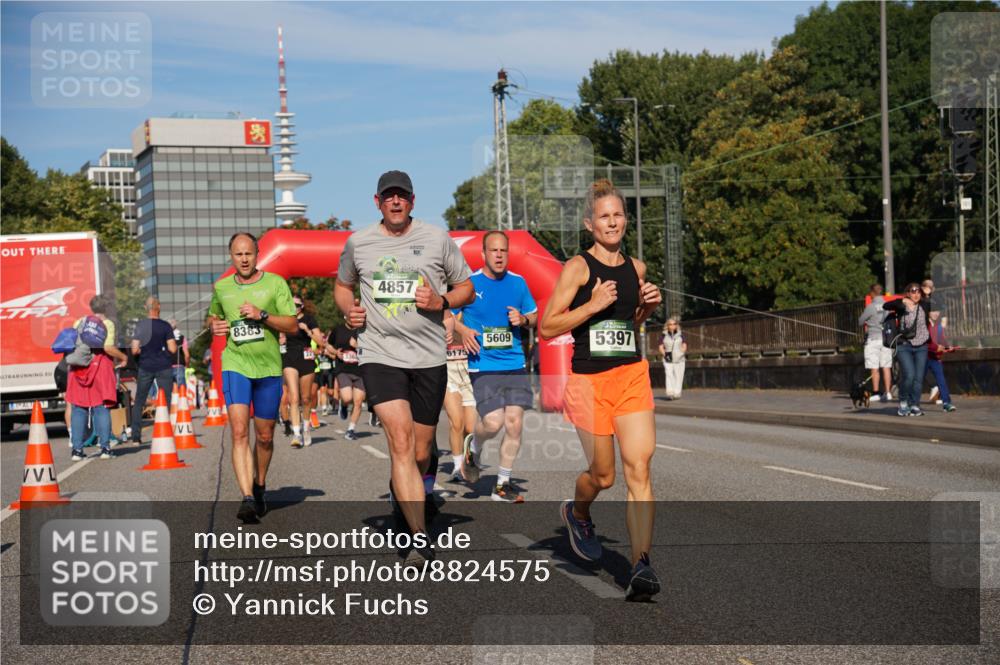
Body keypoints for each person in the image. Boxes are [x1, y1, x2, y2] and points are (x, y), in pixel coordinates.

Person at [335, 170, 473, 564]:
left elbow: (466, 288)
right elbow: (343, 286)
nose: (395, 202)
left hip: (428, 357)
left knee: (422, 451)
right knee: (400, 439)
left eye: (402, 196)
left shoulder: (436, 239)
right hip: (380, 354)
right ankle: (418, 535)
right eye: (388, 196)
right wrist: (349, 311)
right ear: (377, 202)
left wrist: (442, 302)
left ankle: (405, 492)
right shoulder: (359, 243)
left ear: (412, 201)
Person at [539, 179, 663, 602]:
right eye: (604, 216)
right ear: (589, 224)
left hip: (630, 376)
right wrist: (591, 304)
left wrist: (647, 308)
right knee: (604, 475)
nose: (612, 222)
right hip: (589, 382)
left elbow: (628, 325)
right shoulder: (578, 268)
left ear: (626, 220)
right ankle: (577, 513)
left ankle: (641, 564)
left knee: (639, 468)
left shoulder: (637, 269)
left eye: (618, 215)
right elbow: (548, 326)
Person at [208, 232, 298, 524]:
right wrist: (215, 326)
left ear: (257, 254)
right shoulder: (222, 287)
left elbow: (292, 325)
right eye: (238, 254)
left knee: (265, 436)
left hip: (269, 369)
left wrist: (262, 315)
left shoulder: (275, 283)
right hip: (235, 364)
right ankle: (247, 496)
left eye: (248, 253)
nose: (244, 259)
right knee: (238, 431)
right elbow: (214, 316)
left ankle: (259, 485)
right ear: (231, 256)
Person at [452, 230, 537, 502]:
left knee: (514, 424)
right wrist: (463, 330)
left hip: (514, 362)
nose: (499, 256)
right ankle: (474, 447)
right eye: (494, 250)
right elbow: (446, 315)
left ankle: (502, 484)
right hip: (483, 364)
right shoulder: (470, 284)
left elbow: (534, 315)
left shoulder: (518, 283)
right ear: (483, 254)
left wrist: (523, 320)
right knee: (493, 422)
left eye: (503, 251)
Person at [67, 294, 128, 460]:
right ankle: (105, 449)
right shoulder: (107, 324)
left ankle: (77, 450)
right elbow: (108, 348)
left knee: (79, 408)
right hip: (99, 368)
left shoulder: (79, 322)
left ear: (91, 307)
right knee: (101, 408)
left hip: (79, 368)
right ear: (106, 308)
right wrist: (123, 357)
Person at [130, 297, 177, 445]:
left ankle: (136, 437)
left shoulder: (140, 326)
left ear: (146, 308)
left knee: (139, 401)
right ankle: (165, 432)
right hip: (164, 366)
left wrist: (144, 350)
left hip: (145, 366)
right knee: (166, 400)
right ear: (159, 307)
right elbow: (173, 349)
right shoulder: (166, 326)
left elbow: (134, 350)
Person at [282, 297, 325, 448]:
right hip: (289, 359)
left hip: (306, 359)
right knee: (293, 398)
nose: (294, 307)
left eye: (297, 305)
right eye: (291, 304)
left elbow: (320, 342)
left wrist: (307, 330)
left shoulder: (309, 319)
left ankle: (306, 429)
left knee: (306, 398)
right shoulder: (285, 319)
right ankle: (296, 434)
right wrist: (280, 339)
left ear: (302, 306)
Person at [883, 283, 930, 417]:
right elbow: (885, 306)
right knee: (909, 375)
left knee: (918, 378)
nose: (916, 294)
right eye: (913, 291)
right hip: (904, 345)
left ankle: (914, 405)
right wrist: (902, 301)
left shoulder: (924, 305)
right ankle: (903, 402)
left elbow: (940, 304)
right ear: (908, 293)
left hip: (922, 346)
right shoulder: (901, 305)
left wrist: (928, 292)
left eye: (918, 292)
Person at [443, 310, 477, 483]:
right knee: (456, 422)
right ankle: (457, 468)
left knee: (470, 429)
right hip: (449, 371)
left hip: (470, 370)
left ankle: (468, 459)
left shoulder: (473, 310)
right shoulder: (442, 311)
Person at [330, 322, 366, 440]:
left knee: (358, 402)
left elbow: (373, 349)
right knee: (347, 398)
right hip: (343, 369)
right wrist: (336, 352)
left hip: (360, 371)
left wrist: (357, 346)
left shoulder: (364, 330)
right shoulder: (338, 329)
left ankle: (351, 430)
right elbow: (328, 345)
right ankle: (344, 405)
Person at [858, 284, 893, 402]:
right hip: (886, 339)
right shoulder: (887, 306)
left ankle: (876, 392)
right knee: (886, 366)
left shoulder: (870, 307)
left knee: (874, 367)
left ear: (872, 293)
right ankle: (888, 392)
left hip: (873, 339)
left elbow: (860, 321)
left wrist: (869, 321)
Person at [926, 308, 958, 412]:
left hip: (935, 358)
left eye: (937, 311)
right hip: (922, 357)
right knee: (914, 381)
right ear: (928, 312)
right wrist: (936, 348)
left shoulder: (938, 326)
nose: (935, 314)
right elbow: (924, 342)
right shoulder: (923, 325)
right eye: (933, 311)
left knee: (941, 379)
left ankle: (947, 403)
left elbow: (941, 340)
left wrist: (949, 347)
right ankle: (910, 403)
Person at [658, 318, 686, 400]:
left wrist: (681, 352)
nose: (672, 326)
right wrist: (665, 354)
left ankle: (677, 393)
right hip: (668, 358)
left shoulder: (681, 335)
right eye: (670, 324)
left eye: (674, 324)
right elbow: (660, 347)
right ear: (667, 326)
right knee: (669, 374)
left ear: (677, 325)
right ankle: (670, 392)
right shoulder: (663, 335)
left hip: (679, 358)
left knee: (679, 375)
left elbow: (684, 345)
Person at [169, 319, 191, 392]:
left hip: (166, 368)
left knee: (168, 392)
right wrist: (187, 365)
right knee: (181, 391)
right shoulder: (182, 338)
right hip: (179, 367)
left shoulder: (164, 338)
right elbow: (187, 355)